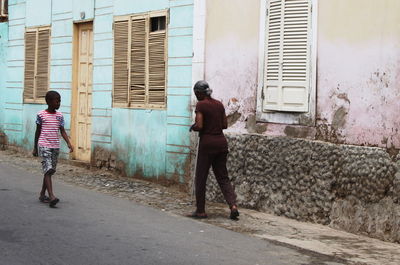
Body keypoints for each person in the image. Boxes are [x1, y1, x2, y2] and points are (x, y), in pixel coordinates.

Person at [188, 80, 239, 220]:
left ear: (199, 93)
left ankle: (200, 211)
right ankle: (233, 206)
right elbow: (224, 125)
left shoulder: (201, 105)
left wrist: (193, 127)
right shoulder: (219, 104)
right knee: (223, 177)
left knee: (201, 177)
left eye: (196, 93)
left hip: (207, 144)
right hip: (221, 143)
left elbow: (199, 125)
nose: (195, 95)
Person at [32, 91, 73, 208]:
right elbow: (37, 131)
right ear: (48, 102)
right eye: (57, 100)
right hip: (44, 145)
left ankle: (42, 194)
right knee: (48, 170)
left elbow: (62, 131)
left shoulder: (59, 116)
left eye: (60, 100)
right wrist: (35, 147)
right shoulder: (41, 115)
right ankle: (51, 196)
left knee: (50, 171)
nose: (59, 103)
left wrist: (69, 143)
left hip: (55, 146)